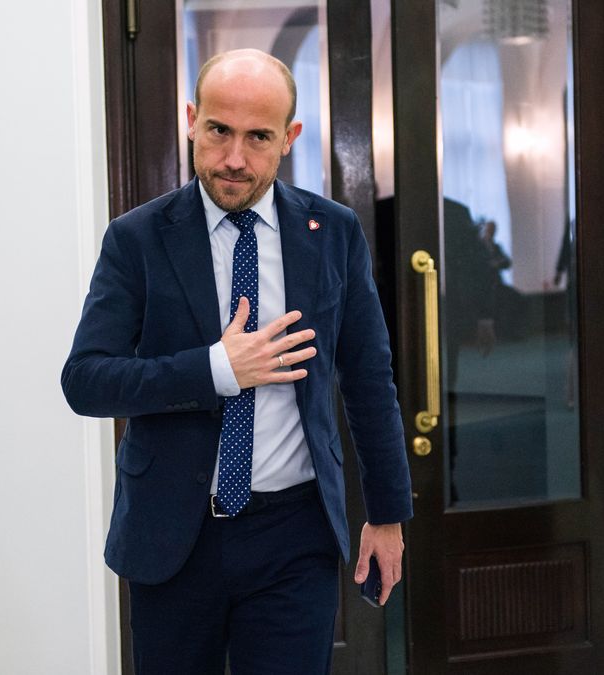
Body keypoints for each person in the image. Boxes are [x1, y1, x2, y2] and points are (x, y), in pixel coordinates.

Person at [62, 49, 412, 673]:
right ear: (192, 120)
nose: (233, 158)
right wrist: (217, 369)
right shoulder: (137, 238)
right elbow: (86, 380)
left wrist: (386, 515)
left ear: (289, 139)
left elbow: (368, 378)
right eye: (219, 130)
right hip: (174, 535)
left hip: (294, 534)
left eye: (258, 138)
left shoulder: (333, 232)